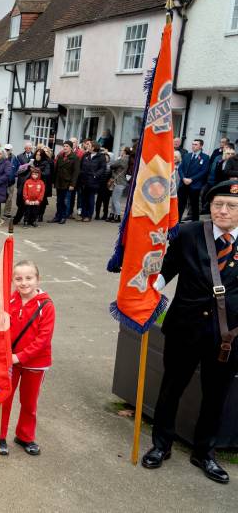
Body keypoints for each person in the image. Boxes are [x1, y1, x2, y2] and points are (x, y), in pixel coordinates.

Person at [142, 179, 238, 484]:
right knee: (171, 388)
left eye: (231, 206)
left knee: (216, 395)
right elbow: (166, 270)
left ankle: (204, 453)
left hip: (228, 336)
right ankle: (161, 445)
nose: (222, 211)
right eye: (217, 205)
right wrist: (143, 296)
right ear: (209, 206)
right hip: (186, 328)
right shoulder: (189, 233)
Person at [0, 260, 54, 457]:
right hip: (11, 360)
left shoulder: (46, 305)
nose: (24, 283)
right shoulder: (11, 301)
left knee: (29, 402)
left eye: (29, 278)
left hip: (35, 363)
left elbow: (43, 339)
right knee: (4, 399)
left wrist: (20, 356)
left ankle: (25, 436)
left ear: (37, 279)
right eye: (18, 279)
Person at [178, 138, 210, 221]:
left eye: (196, 144)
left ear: (201, 146)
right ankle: (177, 221)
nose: (193, 146)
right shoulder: (187, 155)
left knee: (194, 205)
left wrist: (191, 179)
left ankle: (195, 222)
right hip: (183, 184)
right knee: (180, 204)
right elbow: (180, 168)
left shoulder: (205, 157)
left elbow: (204, 171)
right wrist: (183, 178)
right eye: (192, 144)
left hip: (195, 185)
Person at [50, 141, 81, 224]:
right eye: (64, 146)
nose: (65, 148)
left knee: (65, 201)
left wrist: (72, 184)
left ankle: (64, 216)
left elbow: (76, 172)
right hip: (59, 181)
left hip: (67, 183)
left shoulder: (75, 158)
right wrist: (53, 181)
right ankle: (57, 216)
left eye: (67, 146)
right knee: (59, 201)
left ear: (71, 147)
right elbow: (56, 170)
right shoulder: (60, 156)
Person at [78, 140, 108, 223]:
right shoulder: (85, 155)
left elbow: (103, 168)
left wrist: (95, 175)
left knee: (90, 199)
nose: (87, 146)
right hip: (84, 180)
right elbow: (80, 166)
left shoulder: (101, 157)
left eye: (89, 145)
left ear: (93, 147)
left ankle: (88, 215)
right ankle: (83, 215)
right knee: (83, 199)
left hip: (93, 182)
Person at [108, 147, 133, 223]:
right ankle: (112, 215)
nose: (120, 151)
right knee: (114, 199)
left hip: (119, 181)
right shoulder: (128, 159)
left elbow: (112, 165)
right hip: (121, 181)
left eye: (121, 150)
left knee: (115, 200)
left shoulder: (123, 159)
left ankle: (117, 216)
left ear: (125, 152)